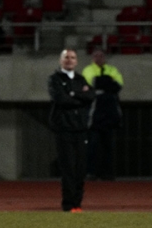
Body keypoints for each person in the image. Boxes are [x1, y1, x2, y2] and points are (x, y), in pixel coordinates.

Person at [49, 49, 95, 212]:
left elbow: (91, 96)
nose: (69, 60)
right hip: (64, 130)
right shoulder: (55, 79)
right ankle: (68, 204)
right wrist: (80, 96)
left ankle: (77, 203)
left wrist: (73, 93)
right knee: (68, 167)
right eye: (66, 57)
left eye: (72, 57)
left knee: (80, 168)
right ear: (61, 60)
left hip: (81, 129)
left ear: (76, 61)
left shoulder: (80, 78)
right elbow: (61, 99)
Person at [82, 48, 123, 181]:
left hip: (109, 114)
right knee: (92, 145)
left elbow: (119, 85)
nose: (98, 58)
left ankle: (107, 173)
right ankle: (91, 172)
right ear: (92, 58)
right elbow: (89, 84)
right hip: (94, 115)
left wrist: (102, 83)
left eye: (101, 56)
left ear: (104, 57)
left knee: (108, 146)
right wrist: (108, 82)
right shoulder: (88, 70)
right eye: (96, 56)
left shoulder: (112, 69)